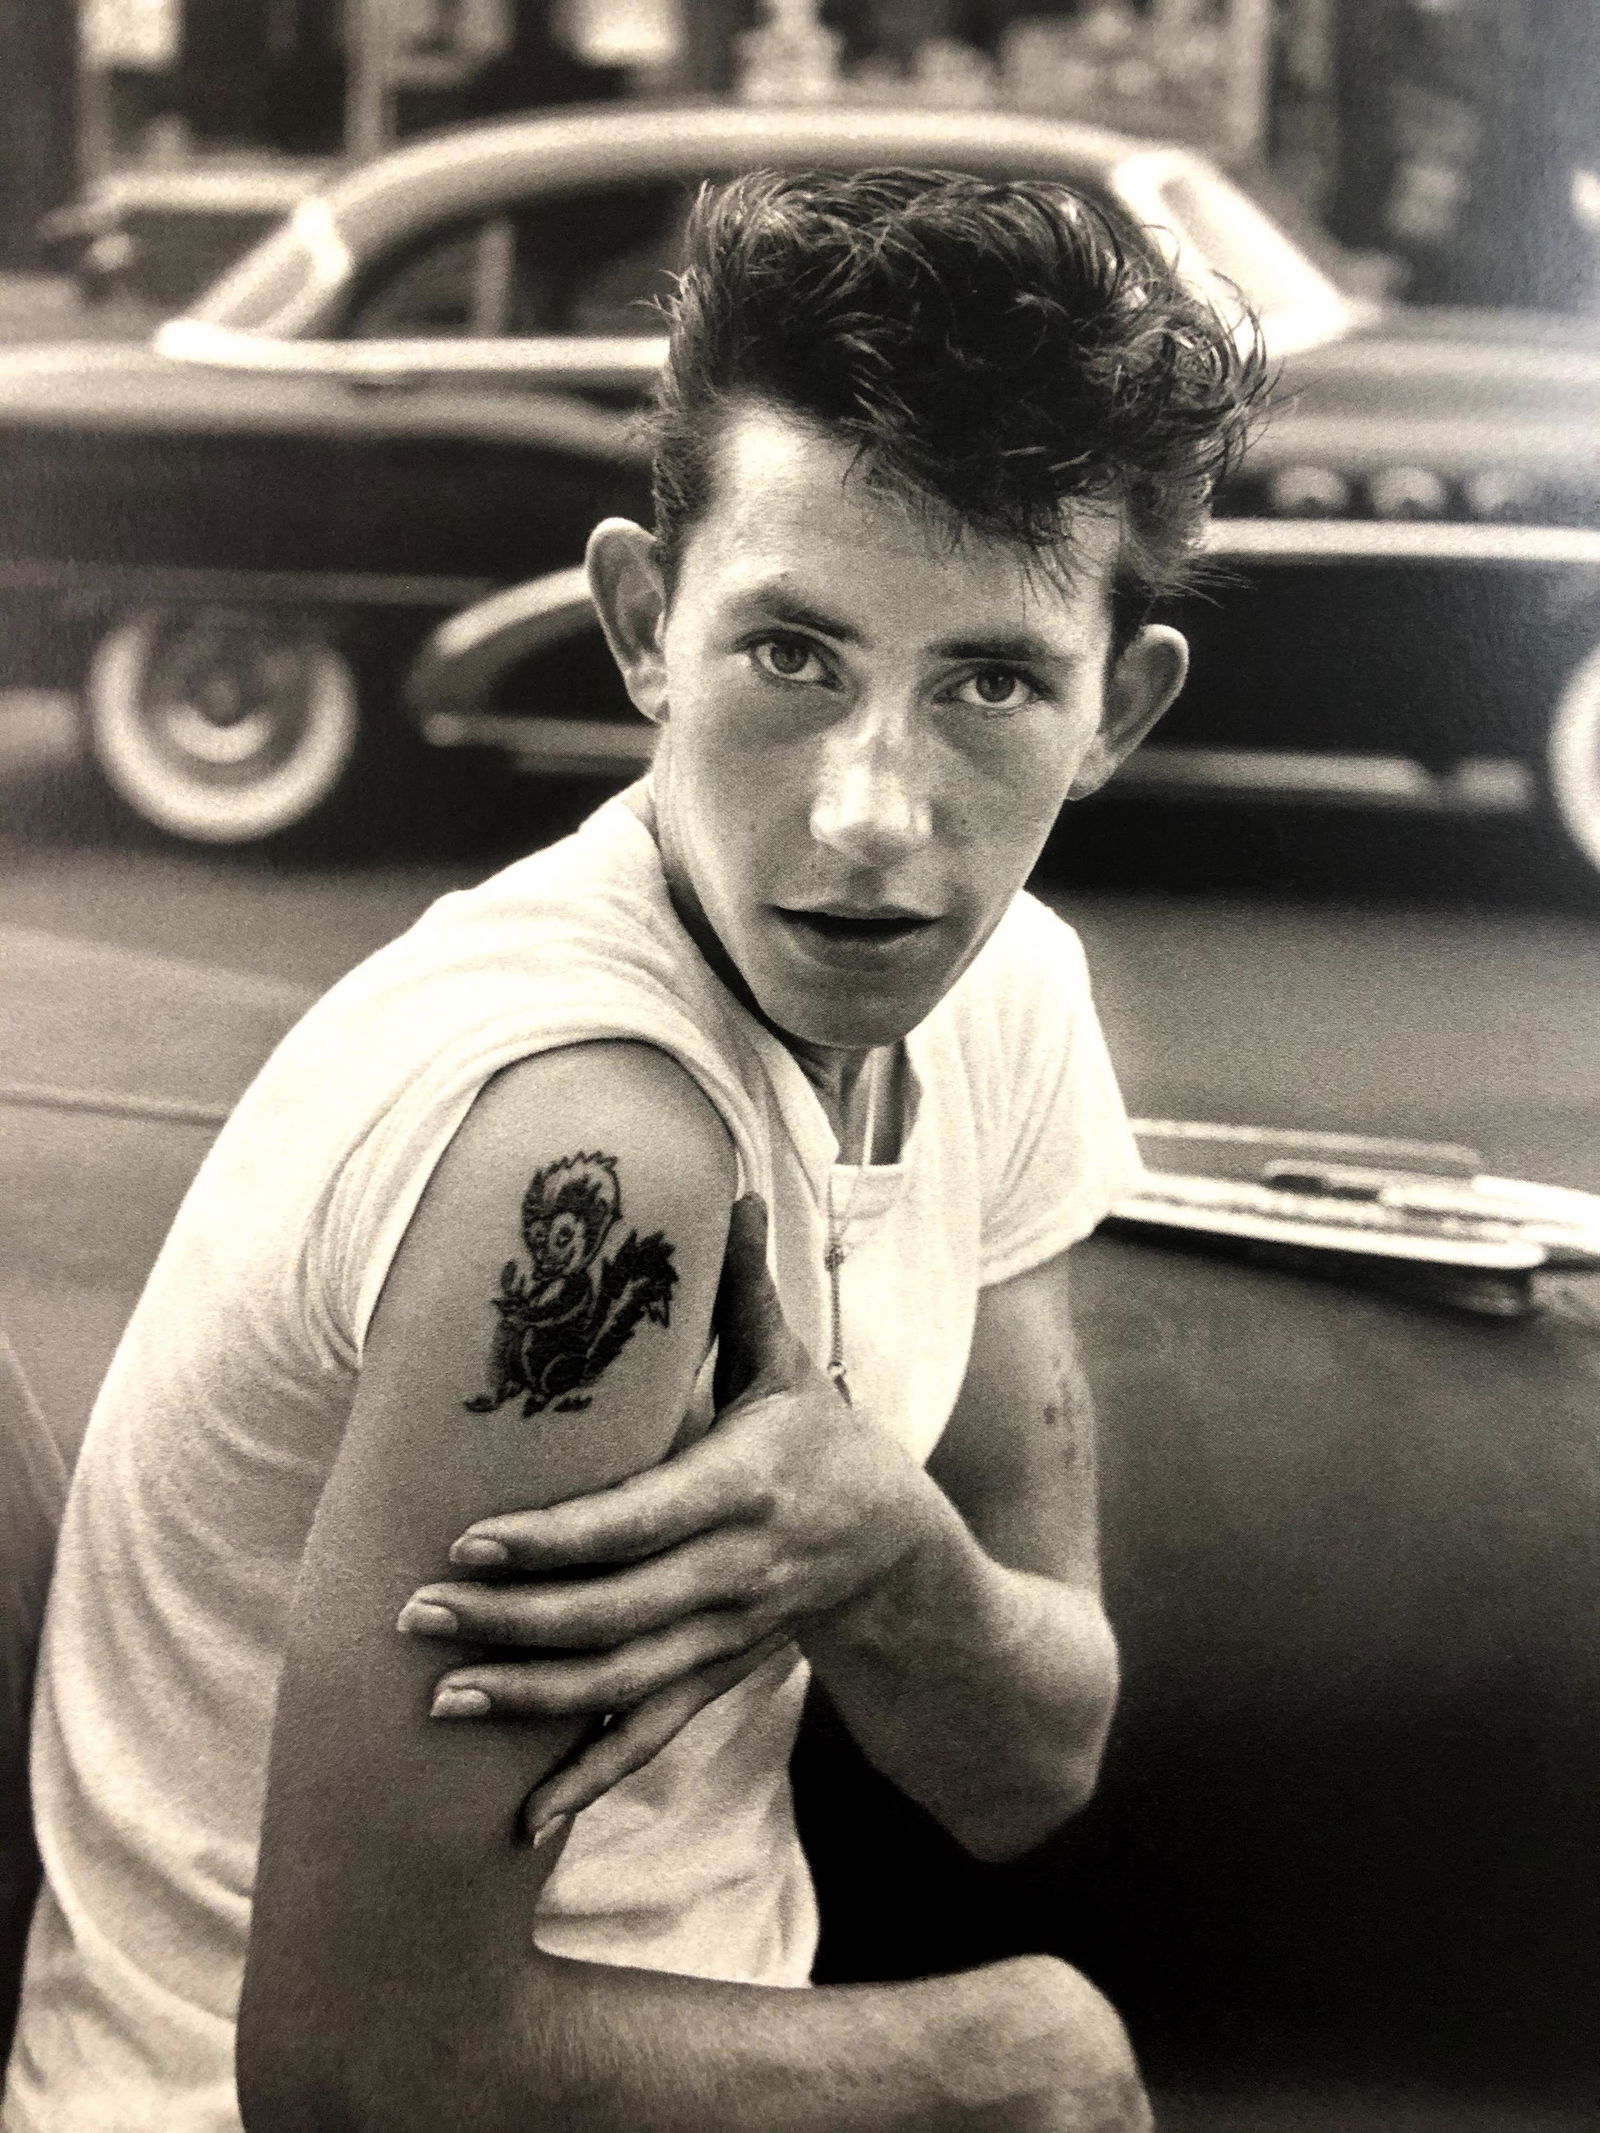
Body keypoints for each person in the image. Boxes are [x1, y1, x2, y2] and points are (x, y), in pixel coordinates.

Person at [4, 167, 1263, 2132]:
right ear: (640, 628)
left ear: (1116, 710)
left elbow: (1031, 1760)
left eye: (990, 682)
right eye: (792, 655)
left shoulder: (1002, 993)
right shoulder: (589, 1141)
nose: (870, 817)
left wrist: (879, 1545)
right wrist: (1017, 2061)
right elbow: (357, 2068)